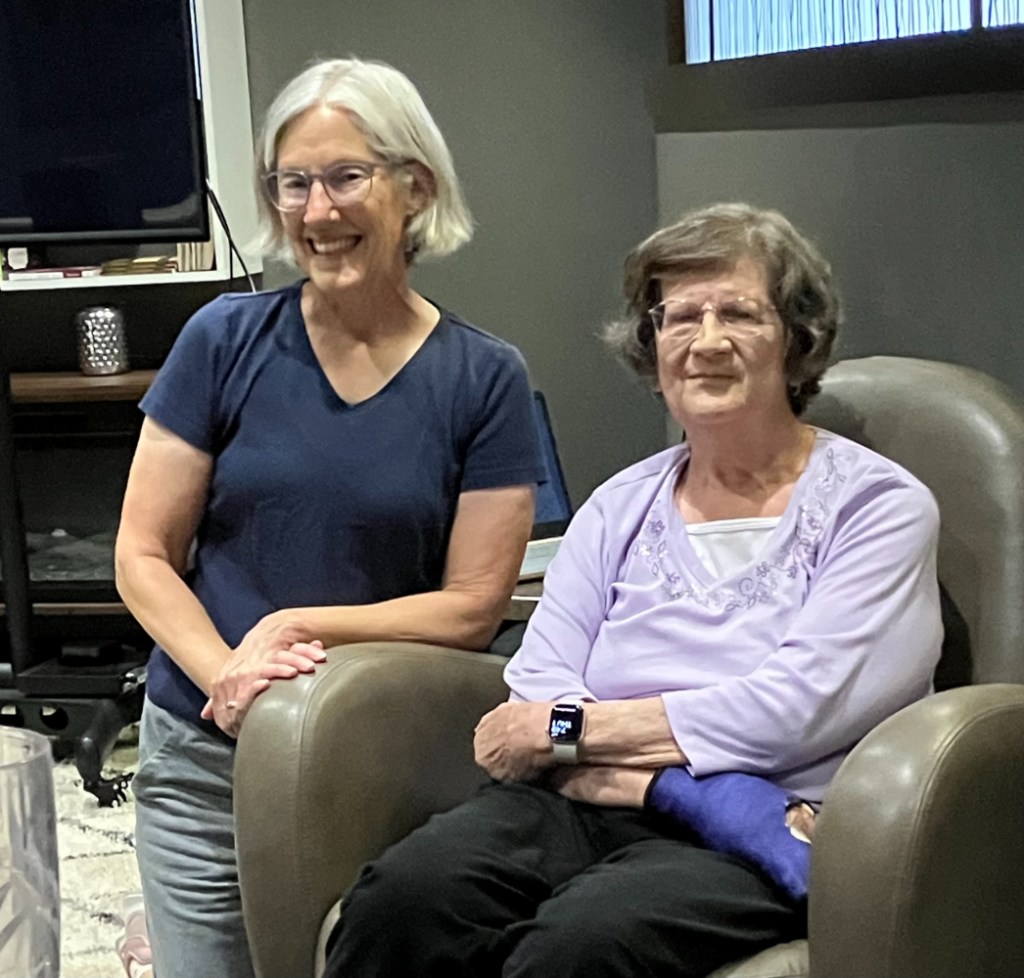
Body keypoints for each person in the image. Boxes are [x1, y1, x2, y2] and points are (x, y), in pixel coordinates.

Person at [323, 203, 943, 978]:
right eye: (680, 317)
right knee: (399, 903)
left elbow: (794, 709)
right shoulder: (622, 503)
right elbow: (537, 678)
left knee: (578, 950)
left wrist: (586, 744)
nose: (706, 341)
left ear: (796, 338)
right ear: (652, 347)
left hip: (760, 820)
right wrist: (615, 760)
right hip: (578, 803)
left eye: (739, 314)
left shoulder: (876, 507)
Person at [114, 57, 545, 978]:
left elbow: (472, 606)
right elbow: (142, 554)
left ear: (414, 186)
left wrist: (299, 628)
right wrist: (231, 678)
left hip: (380, 758)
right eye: (292, 183)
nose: (316, 211)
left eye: (346, 177)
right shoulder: (222, 339)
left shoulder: (484, 377)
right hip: (202, 751)